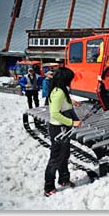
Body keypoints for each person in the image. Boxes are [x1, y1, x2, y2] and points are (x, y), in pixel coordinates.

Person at [44, 67, 82, 197]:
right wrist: (72, 122)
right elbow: (54, 113)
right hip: (58, 129)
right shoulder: (58, 92)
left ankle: (64, 179)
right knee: (55, 158)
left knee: (64, 155)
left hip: (63, 128)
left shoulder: (61, 90)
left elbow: (62, 101)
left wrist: (71, 101)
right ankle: (48, 187)